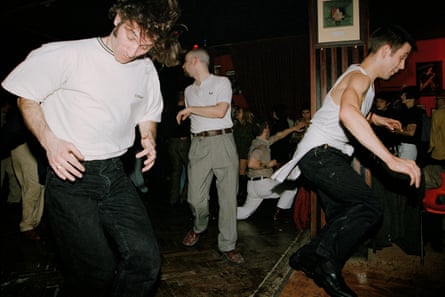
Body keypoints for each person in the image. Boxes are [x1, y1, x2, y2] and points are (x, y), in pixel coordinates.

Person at [1, 0, 182, 296]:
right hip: (72, 174)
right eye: (131, 36)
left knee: (145, 261)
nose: (133, 50)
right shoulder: (67, 54)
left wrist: (148, 137)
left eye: (145, 46)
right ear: (119, 18)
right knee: (94, 272)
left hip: (116, 174)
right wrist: (50, 141)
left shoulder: (145, 68)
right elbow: (26, 97)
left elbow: (148, 111)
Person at [272, 24, 421, 297]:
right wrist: (390, 159)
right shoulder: (360, 77)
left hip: (325, 155)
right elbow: (347, 115)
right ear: (386, 50)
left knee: (343, 216)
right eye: (402, 57)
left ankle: (307, 256)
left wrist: (377, 118)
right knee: (369, 206)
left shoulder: (363, 81)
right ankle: (325, 266)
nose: (401, 66)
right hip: (320, 154)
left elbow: (349, 108)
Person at [176, 48, 244, 264]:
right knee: (194, 198)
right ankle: (199, 226)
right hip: (199, 144)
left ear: (195, 61)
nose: (183, 66)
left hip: (223, 141)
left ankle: (228, 244)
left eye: (185, 62)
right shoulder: (188, 91)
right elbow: (195, 120)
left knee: (227, 198)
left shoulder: (221, 82)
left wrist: (191, 109)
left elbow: (220, 111)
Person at [237, 120, 305, 220]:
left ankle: (227, 214)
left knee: (246, 211)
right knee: (291, 187)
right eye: (268, 127)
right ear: (265, 130)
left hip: (252, 186)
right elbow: (251, 163)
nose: (269, 129)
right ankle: (280, 213)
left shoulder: (259, 141)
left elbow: (279, 135)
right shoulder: (261, 147)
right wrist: (268, 165)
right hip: (263, 184)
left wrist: (294, 128)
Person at [165, 91, 191, 206]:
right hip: (182, 142)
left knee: (176, 171)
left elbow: (165, 127)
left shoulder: (169, 111)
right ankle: (184, 197)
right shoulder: (186, 111)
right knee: (191, 169)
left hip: (172, 143)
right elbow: (188, 128)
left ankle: (173, 199)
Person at [232, 103, 257, 205]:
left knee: (242, 174)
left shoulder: (248, 126)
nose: (237, 113)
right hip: (238, 152)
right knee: (240, 174)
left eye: (240, 112)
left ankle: (242, 196)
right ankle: (241, 194)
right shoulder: (237, 125)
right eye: (237, 111)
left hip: (244, 152)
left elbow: (250, 140)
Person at [396, 86, 424, 162]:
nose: (402, 96)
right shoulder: (407, 111)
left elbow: (411, 132)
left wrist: (396, 131)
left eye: (404, 95)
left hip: (409, 147)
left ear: (411, 96)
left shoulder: (414, 112)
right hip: (404, 146)